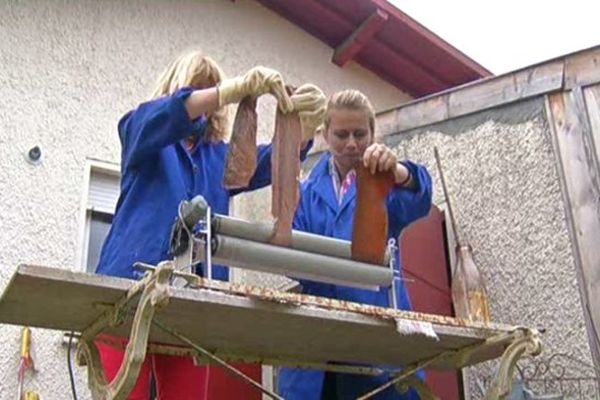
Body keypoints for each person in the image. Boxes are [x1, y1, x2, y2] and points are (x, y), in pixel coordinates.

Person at [94, 50, 326, 399]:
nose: (212, 98)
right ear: (175, 89)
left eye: (214, 89)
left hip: (192, 300)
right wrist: (232, 88)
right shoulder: (141, 129)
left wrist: (302, 132)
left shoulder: (219, 157)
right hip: (125, 292)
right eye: (198, 88)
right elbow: (168, 113)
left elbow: (266, 163)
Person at [278, 89, 433, 400]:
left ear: (373, 133)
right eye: (341, 134)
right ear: (324, 135)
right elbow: (292, 257)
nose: (351, 143)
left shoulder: (385, 183)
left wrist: (399, 172)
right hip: (320, 342)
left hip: (377, 337)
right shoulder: (306, 191)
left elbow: (421, 197)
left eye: (360, 134)